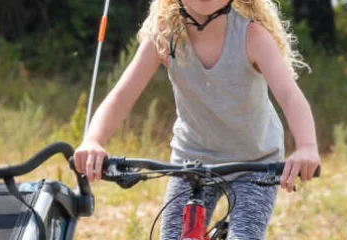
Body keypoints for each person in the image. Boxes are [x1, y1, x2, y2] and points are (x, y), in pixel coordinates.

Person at [69, 0, 320, 239]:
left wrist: (307, 147)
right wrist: (94, 139)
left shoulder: (252, 36)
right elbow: (123, 95)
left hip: (255, 161)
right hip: (192, 160)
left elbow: (289, 95)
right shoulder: (166, 35)